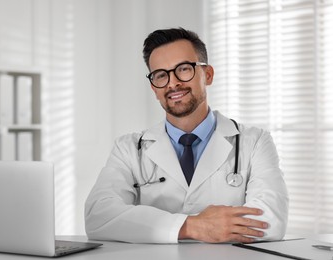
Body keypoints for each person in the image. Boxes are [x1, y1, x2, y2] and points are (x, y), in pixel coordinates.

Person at [85, 27, 288, 244]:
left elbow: (271, 220)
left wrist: (155, 225)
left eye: (183, 69)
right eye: (161, 75)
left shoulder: (254, 141)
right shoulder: (128, 148)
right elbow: (99, 216)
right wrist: (191, 226)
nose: (172, 83)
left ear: (207, 74)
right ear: (154, 88)